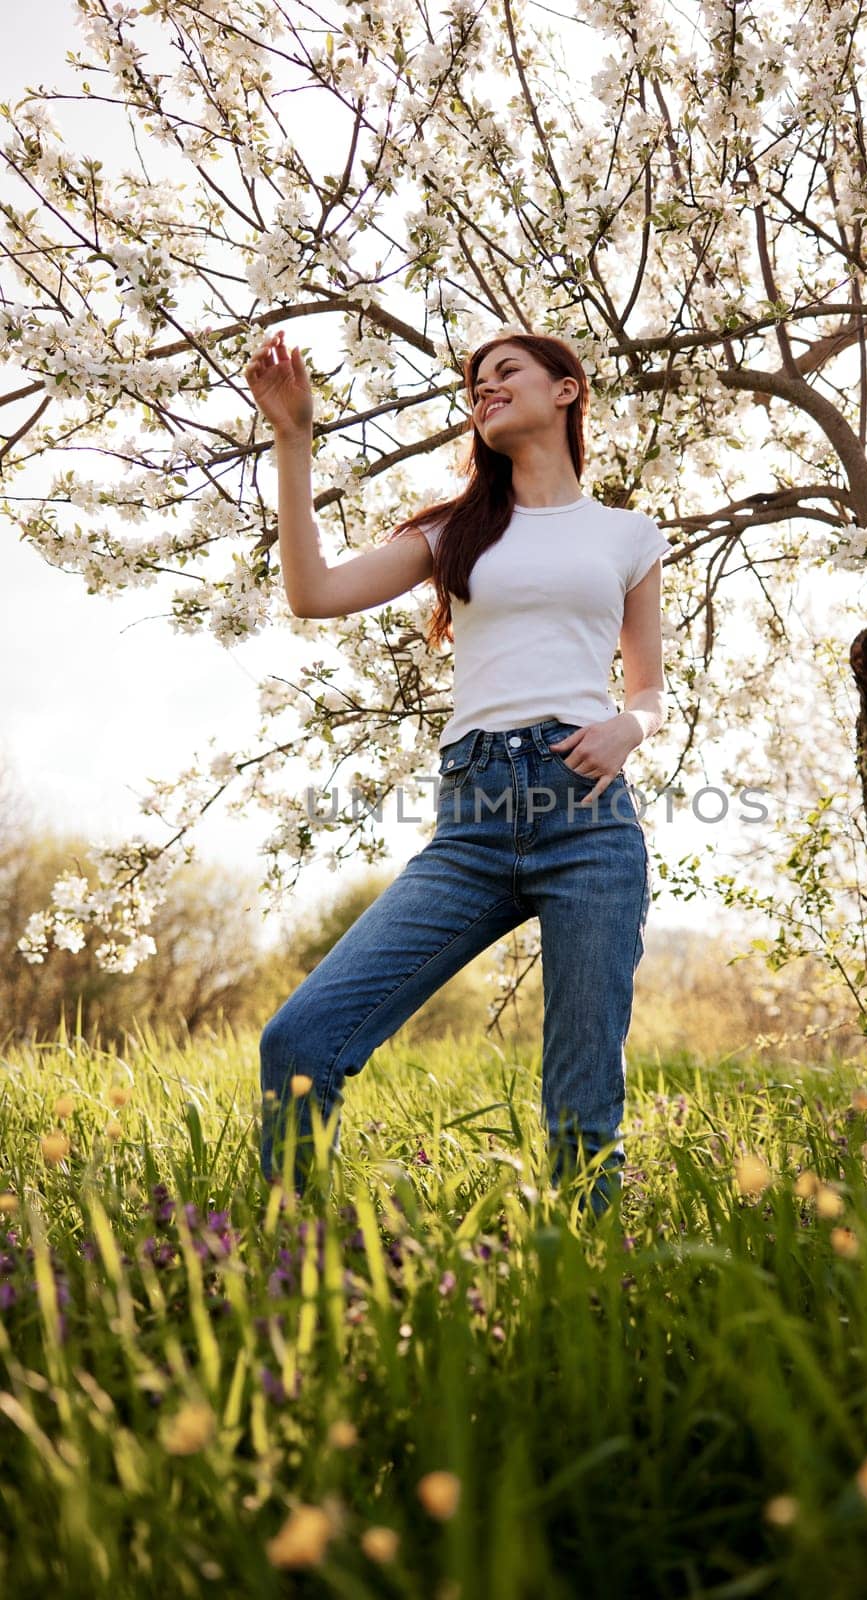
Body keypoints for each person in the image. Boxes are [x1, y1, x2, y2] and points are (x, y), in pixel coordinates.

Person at [244, 326, 671, 1218]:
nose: (485, 388)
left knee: (581, 1110)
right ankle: (288, 1260)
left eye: (505, 372)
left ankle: (584, 1299)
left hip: (587, 818)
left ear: (566, 391)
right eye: (475, 383)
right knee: (301, 1038)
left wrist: (627, 729)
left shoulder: (628, 535)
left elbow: (647, 690)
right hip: (473, 819)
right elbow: (311, 594)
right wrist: (293, 440)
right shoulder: (452, 531)